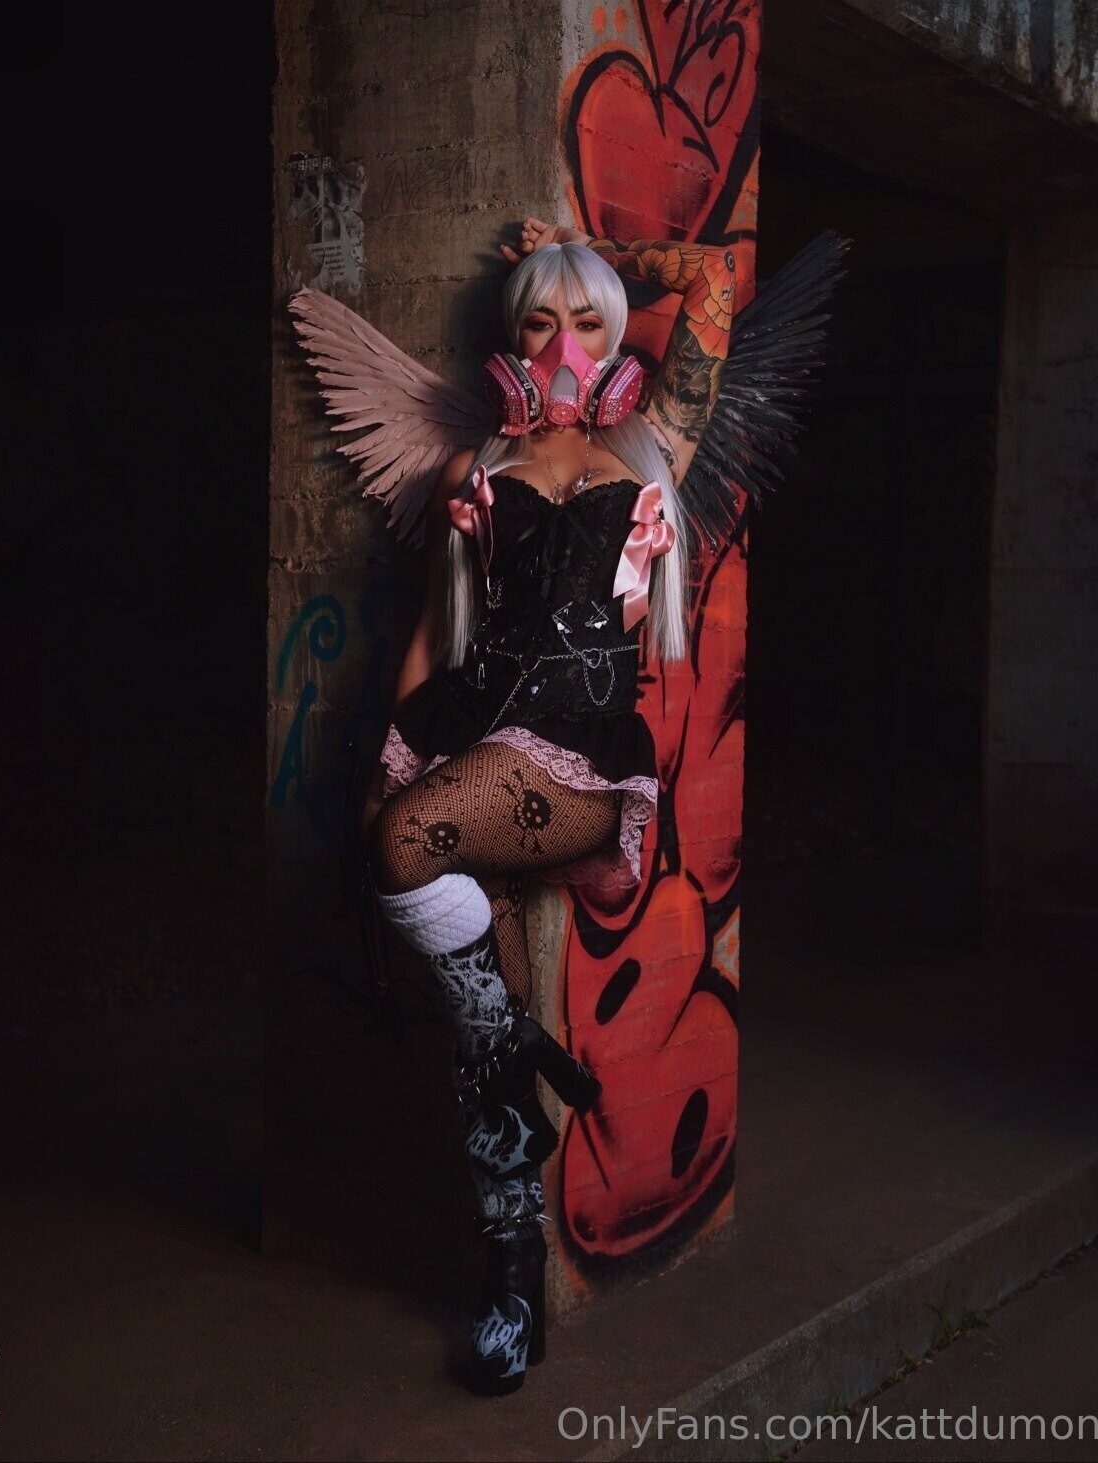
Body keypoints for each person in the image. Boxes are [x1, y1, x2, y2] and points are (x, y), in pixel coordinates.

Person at [357, 217, 738, 1394]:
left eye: (585, 322)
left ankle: (517, 1040)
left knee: (406, 846)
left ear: (614, 337)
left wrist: (593, 248)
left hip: (581, 768)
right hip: (474, 747)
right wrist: (388, 770)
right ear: (511, 342)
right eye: (539, 322)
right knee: (487, 1056)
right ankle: (512, 1289)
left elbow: (712, 280)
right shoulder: (473, 474)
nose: (563, 346)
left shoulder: (653, 446)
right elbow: (436, 635)